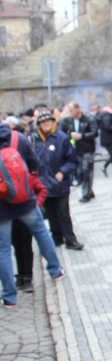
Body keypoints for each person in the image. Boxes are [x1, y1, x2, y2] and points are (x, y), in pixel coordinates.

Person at [0, 117, 65, 307]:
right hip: (25, 200)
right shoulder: (18, 137)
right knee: (41, 233)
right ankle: (55, 271)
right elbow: (35, 165)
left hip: (2, 207)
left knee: (3, 250)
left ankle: (10, 297)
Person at [30, 111, 83, 251]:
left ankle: (70, 239)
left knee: (63, 212)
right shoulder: (34, 140)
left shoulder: (62, 138)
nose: (46, 123)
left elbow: (72, 160)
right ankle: (57, 237)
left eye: (48, 121)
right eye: (43, 122)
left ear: (53, 122)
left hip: (59, 183)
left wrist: (62, 172)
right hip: (42, 184)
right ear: (39, 125)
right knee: (51, 214)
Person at [12, 172, 47, 293]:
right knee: (17, 248)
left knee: (26, 247)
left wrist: (35, 207)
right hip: (10, 217)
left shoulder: (24, 173)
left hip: (25, 215)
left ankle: (27, 277)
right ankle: (21, 276)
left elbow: (41, 189)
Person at [59, 102, 98, 203]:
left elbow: (95, 132)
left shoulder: (88, 119)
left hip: (87, 149)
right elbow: (62, 132)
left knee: (86, 170)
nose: (70, 113)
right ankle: (89, 190)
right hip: (75, 150)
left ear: (77, 108)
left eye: (72, 110)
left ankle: (86, 193)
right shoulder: (68, 121)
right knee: (80, 172)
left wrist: (82, 136)